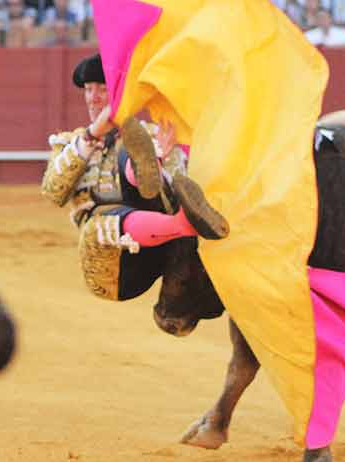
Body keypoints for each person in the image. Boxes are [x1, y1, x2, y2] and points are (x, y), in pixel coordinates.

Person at [41, 53, 228, 301]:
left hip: (156, 248)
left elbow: (183, 193)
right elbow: (53, 191)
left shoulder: (152, 137)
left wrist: (163, 156)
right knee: (97, 226)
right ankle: (186, 225)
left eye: (102, 90)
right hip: (112, 267)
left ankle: (152, 184)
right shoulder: (70, 144)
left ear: (119, 96)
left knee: (136, 151)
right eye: (88, 90)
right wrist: (92, 135)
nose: (93, 98)